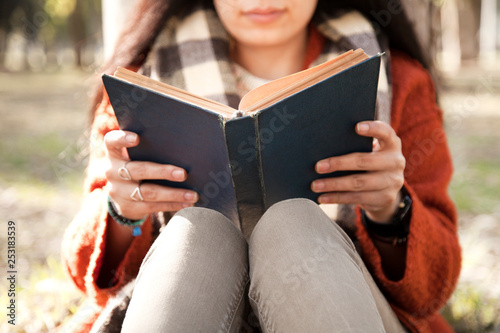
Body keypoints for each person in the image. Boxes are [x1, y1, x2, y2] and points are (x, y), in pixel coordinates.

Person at [61, 0, 461, 332]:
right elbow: (89, 276)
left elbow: (434, 287)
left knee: (292, 225)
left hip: (348, 308)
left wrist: (390, 211)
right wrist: (123, 213)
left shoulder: (400, 80)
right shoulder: (141, 86)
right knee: (196, 232)